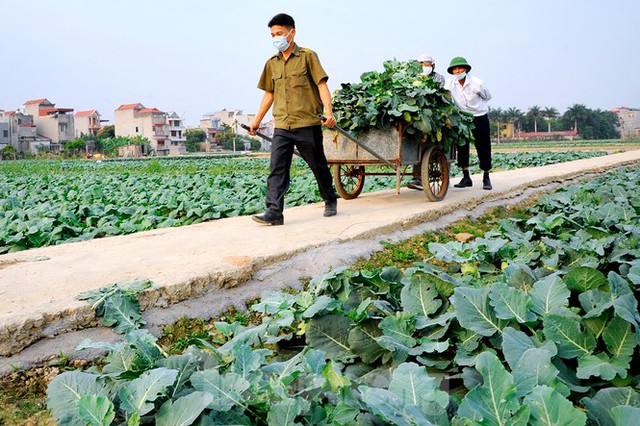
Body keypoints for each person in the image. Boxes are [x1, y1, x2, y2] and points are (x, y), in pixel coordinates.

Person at [249, 13, 338, 225]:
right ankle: (274, 213)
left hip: (307, 123)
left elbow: (321, 85)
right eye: (272, 34)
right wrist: (257, 120)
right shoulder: (272, 63)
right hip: (282, 125)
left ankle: (330, 199)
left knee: (318, 165)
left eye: (279, 33)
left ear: (292, 33)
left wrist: (329, 112)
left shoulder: (308, 56)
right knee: (277, 168)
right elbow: (269, 94)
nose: (275, 38)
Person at [445, 56, 493, 190]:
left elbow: (487, 96)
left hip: (479, 117)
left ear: (466, 69)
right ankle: (466, 177)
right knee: (462, 147)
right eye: (455, 69)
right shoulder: (450, 84)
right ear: (452, 71)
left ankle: (486, 177)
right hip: (463, 119)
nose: (458, 71)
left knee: (483, 146)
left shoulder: (477, 83)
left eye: (460, 68)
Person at [407, 54, 446, 191]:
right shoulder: (412, 77)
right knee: (417, 142)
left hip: (433, 113)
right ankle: (417, 178)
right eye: (422, 64)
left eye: (427, 64)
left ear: (433, 66)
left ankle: (421, 177)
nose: (425, 66)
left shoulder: (438, 78)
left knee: (426, 144)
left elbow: (437, 93)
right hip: (416, 112)